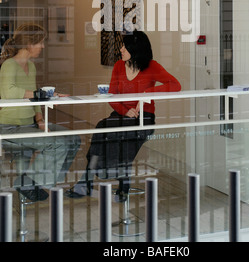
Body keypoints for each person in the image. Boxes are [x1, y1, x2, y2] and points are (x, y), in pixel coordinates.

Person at [66, 30, 181, 199]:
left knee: (118, 134)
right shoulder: (119, 65)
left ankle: (93, 181)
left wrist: (148, 93)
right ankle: (104, 180)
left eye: (125, 47)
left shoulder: (152, 66)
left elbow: (175, 85)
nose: (121, 49)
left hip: (144, 118)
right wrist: (125, 111)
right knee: (102, 128)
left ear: (136, 49)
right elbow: (111, 95)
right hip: (121, 115)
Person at [0, 23, 81, 202]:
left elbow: (34, 98)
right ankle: (29, 183)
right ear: (30, 44)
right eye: (41, 42)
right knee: (58, 144)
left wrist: (40, 119)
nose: (43, 47)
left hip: (29, 124)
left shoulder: (32, 66)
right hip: (9, 128)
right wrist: (40, 94)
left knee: (73, 138)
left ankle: (37, 182)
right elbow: (9, 92)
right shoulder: (9, 65)